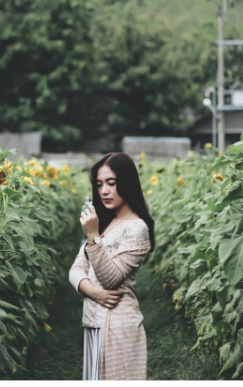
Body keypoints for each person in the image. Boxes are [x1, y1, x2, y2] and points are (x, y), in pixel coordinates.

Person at [69, 152, 156, 380]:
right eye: (99, 184)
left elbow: (111, 278)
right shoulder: (105, 222)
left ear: (126, 183)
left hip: (118, 325)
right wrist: (93, 292)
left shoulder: (137, 229)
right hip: (93, 323)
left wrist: (93, 237)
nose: (104, 191)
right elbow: (76, 269)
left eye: (111, 183)